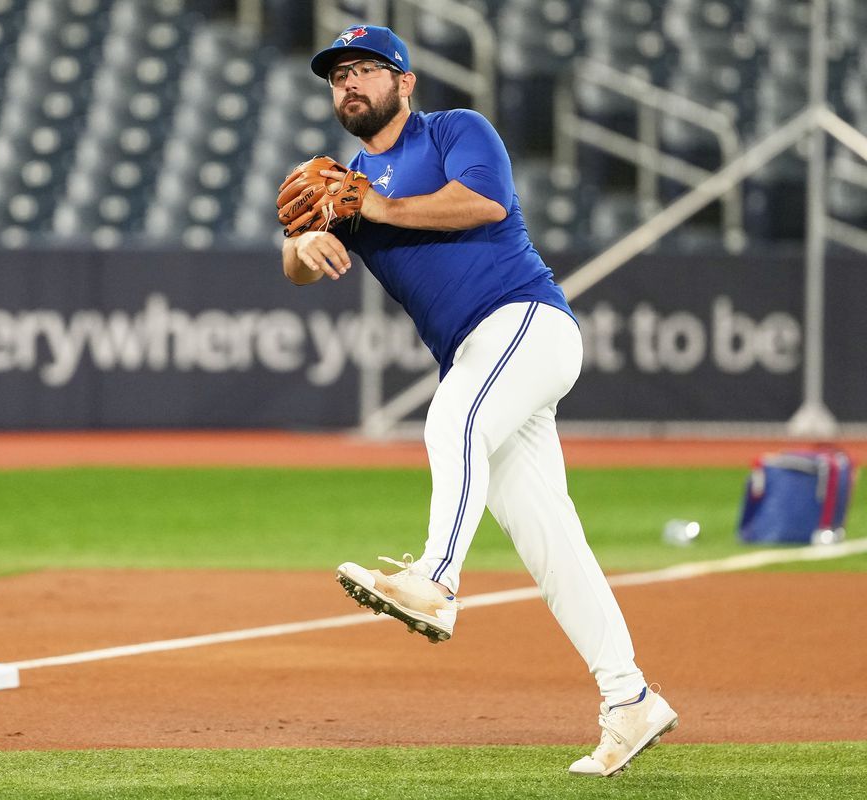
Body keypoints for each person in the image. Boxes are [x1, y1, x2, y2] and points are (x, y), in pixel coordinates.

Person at [280, 25, 678, 778]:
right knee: (547, 538)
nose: (350, 85)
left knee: (453, 416)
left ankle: (435, 578)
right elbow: (296, 258)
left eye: (366, 69)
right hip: (480, 351)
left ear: (406, 82)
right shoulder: (343, 182)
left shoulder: (456, 131)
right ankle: (629, 698)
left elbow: (483, 206)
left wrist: (376, 207)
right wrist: (301, 247)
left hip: (526, 321)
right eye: (338, 77)